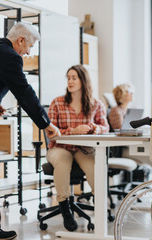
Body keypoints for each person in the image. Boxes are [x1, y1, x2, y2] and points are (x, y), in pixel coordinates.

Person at [0, 22, 60, 239]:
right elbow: (24, 92)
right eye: (29, 47)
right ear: (21, 39)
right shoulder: (10, 56)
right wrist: (46, 124)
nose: (28, 52)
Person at [47, 65, 109, 231]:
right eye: (68, 78)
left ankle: (101, 204)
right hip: (60, 147)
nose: (70, 81)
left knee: (94, 167)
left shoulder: (96, 104)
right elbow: (51, 133)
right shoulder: (57, 103)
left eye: (74, 78)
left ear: (83, 80)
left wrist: (94, 128)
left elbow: (105, 127)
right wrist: (72, 131)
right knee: (62, 162)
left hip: (83, 149)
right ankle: (65, 208)